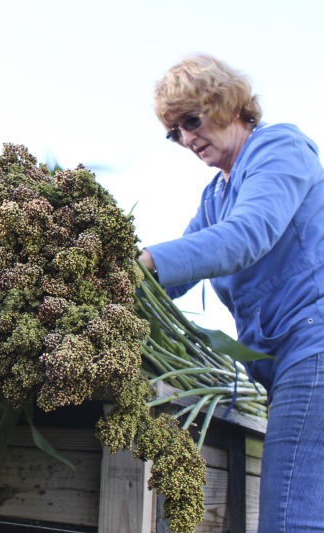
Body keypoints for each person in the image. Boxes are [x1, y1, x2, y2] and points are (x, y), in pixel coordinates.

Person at [139, 54, 324, 532]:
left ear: (227, 103)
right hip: (285, 364)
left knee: (288, 520)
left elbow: (246, 236)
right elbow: (177, 273)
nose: (185, 139)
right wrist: (110, 278)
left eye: (191, 121)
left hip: (314, 348)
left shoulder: (279, 148)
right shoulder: (215, 196)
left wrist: (147, 262)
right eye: (174, 131)